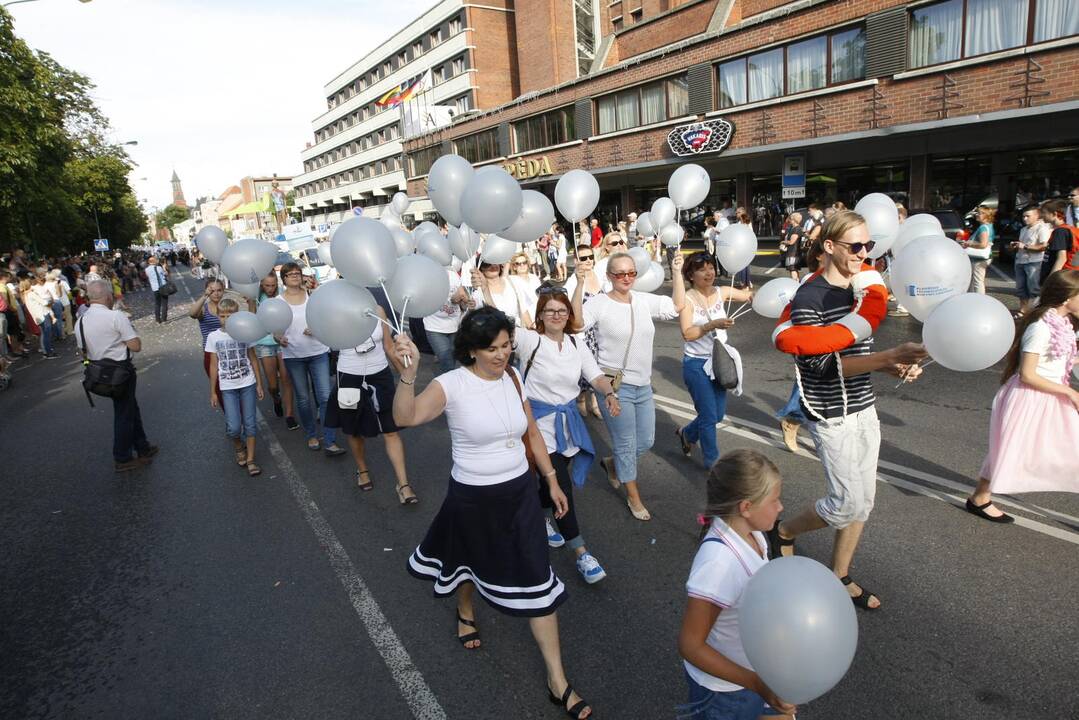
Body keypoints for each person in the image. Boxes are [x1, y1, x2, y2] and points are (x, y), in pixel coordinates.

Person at [392, 307, 593, 720]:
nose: (501, 355)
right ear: (470, 350)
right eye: (491, 349)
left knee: (538, 575)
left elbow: (532, 432)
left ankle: (558, 680)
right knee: (470, 562)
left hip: (520, 493)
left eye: (506, 346)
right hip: (473, 496)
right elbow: (405, 417)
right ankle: (466, 611)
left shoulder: (514, 377)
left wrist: (551, 481)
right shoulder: (452, 384)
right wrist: (408, 373)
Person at [768, 211, 928, 611]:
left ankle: (839, 575)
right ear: (829, 247)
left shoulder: (861, 290)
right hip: (830, 414)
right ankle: (783, 531)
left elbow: (856, 352)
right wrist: (887, 356)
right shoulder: (811, 298)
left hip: (863, 408)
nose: (863, 254)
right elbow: (820, 367)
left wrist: (893, 364)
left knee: (864, 501)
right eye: (855, 247)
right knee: (844, 503)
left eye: (868, 246)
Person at [677, 450, 796, 720]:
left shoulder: (754, 534)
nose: (780, 507)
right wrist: (755, 683)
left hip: (756, 672)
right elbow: (690, 645)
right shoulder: (718, 565)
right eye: (775, 500)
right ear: (746, 507)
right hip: (727, 691)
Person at [516, 288, 620, 583]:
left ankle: (538, 516)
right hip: (538, 425)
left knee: (552, 483)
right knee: (561, 485)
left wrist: (609, 393)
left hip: (568, 424)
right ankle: (582, 553)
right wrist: (480, 294)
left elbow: (595, 375)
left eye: (562, 310)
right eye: (550, 310)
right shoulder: (530, 341)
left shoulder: (576, 343)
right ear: (540, 316)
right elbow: (498, 326)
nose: (557, 315)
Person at [572, 251, 686, 521]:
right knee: (625, 444)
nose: (626, 278)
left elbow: (676, 306)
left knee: (645, 441)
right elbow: (576, 324)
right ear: (609, 276)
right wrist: (578, 284)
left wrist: (678, 271)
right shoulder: (599, 303)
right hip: (613, 385)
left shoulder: (643, 300)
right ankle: (633, 496)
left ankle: (614, 464)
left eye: (631, 273)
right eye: (620, 273)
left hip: (643, 385)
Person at [964, 269, 1079, 523]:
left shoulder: (1064, 325)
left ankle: (980, 497)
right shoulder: (1040, 328)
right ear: (1066, 298)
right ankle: (980, 498)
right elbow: (1028, 374)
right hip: (1032, 398)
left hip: (1052, 396)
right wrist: (1070, 391)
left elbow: (1060, 359)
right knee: (1008, 449)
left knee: (1071, 452)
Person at [325, 306, 416, 502]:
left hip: (380, 374)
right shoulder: (335, 309)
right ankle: (362, 470)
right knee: (354, 430)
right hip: (348, 376)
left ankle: (404, 484)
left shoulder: (377, 309)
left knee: (391, 430)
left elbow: (389, 346)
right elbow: (329, 343)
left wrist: (406, 376)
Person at [677, 253, 753, 469]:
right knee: (709, 416)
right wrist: (711, 325)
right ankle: (713, 464)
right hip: (696, 365)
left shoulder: (723, 292)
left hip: (719, 363)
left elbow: (747, 295)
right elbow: (687, 333)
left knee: (717, 415)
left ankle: (687, 433)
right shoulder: (687, 299)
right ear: (691, 274)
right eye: (702, 269)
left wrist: (755, 295)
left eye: (711, 267)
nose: (709, 272)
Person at [75, 280, 157, 472]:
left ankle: (143, 446)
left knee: (129, 408)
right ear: (108, 296)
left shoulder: (80, 321)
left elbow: (82, 351)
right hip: (120, 372)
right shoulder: (115, 316)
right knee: (124, 414)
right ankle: (122, 457)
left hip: (98, 373)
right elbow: (135, 345)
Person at [276, 262, 345, 456]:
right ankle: (311, 434)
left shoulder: (312, 296)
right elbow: (275, 328)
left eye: (298, 273)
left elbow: (326, 317)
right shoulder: (279, 302)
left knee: (324, 396)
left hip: (318, 352)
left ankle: (330, 439)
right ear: (284, 279)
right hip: (294, 356)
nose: (295, 276)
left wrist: (317, 328)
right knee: (304, 399)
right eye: (291, 274)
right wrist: (278, 338)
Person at [206, 298, 265, 476]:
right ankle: (239, 445)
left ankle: (251, 460)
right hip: (227, 386)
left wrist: (259, 384)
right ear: (218, 316)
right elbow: (213, 365)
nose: (225, 319)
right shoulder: (213, 337)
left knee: (250, 423)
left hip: (247, 382)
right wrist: (213, 392)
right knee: (233, 427)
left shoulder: (244, 333)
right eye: (222, 316)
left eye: (229, 316)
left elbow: (253, 358)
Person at [254, 273, 298, 429]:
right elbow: (252, 318)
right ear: (261, 285)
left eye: (273, 285)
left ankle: (290, 415)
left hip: (281, 341)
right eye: (267, 285)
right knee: (272, 385)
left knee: (286, 378)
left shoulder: (281, 297)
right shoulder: (256, 298)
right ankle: (276, 399)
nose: (270, 288)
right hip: (265, 343)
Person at [424, 266, 472, 374]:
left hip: (454, 325)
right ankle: (446, 388)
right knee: (447, 362)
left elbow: (464, 303)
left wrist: (462, 299)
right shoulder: (426, 276)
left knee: (451, 360)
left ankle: (443, 385)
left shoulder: (453, 275)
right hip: (434, 326)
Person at [190, 278, 226, 408]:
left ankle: (239, 418)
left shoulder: (229, 307)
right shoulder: (204, 309)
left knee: (234, 387)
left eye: (219, 290)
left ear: (223, 291)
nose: (216, 293)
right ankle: (231, 418)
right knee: (218, 388)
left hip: (229, 351)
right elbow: (192, 314)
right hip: (211, 354)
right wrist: (204, 296)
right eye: (212, 291)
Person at [1011, 205, 1050, 316]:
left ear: (1037, 216)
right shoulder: (1023, 229)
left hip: (1034, 262)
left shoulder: (1042, 228)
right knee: (1021, 288)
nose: (1025, 219)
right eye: (1023, 216)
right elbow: (1022, 244)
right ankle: (1023, 311)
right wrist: (1016, 245)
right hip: (1020, 261)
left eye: (1028, 216)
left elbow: (1043, 246)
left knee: (1034, 289)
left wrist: (1025, 246)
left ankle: (1035, 312)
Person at [470, 261, 534, 328]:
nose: (493, 265)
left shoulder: (513, 281)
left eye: (495, 260)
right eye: (487, 264)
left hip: (521, 332)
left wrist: (532, 330)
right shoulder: (478, 294)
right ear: (481, 269)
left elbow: (523, 310)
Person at [1040, 199, 1076, 285]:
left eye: (1044, 213)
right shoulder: (1066, 229)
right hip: (1066, 275)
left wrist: (1050, 280)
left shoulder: (1060, 232)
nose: (1042, 216)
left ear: (1054, 214)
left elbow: (1061, 258)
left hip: (1060, 279)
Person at [20, 278, 57, 358]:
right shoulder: (31, 294)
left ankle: (45, 351)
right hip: (43, 315)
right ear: (29, 285)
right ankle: (48, 352)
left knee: (44, 334)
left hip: (37, 317)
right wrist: (51, 301)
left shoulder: (25, 295)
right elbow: (44, 302)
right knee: (47, 334)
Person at [963, 206, 995, 294]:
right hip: (984, 257)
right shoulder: (990, 226)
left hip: (978, 258)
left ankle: (979, 300)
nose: (977, 214)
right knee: (977, 280)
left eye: (979, 213)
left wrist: (968, 243)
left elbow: (983, 244)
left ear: (986, 215)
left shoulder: (983, 228)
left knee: (977, 281)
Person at [779, 212, 804, 281]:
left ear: (794, 220)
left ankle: (795, 284)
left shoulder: (796, 229)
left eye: (791, 219)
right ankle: (797, 284)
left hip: (793, 253)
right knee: (794, 269)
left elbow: (791, 242)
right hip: (793, 252)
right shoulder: (794, 228)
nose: (789, 220)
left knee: (792, 269)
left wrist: (783, 242)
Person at [145, 256, 170, 324]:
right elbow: (166, 274)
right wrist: (164, 268)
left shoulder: (146, 269)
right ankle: (164, 319)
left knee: (157, 304)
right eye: (156, 260)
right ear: (154, 261)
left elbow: (148, 277)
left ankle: (157, 320)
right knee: (164, 303)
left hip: (155, 288)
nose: (157, 261)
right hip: (163, 287)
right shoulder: (159, 268)